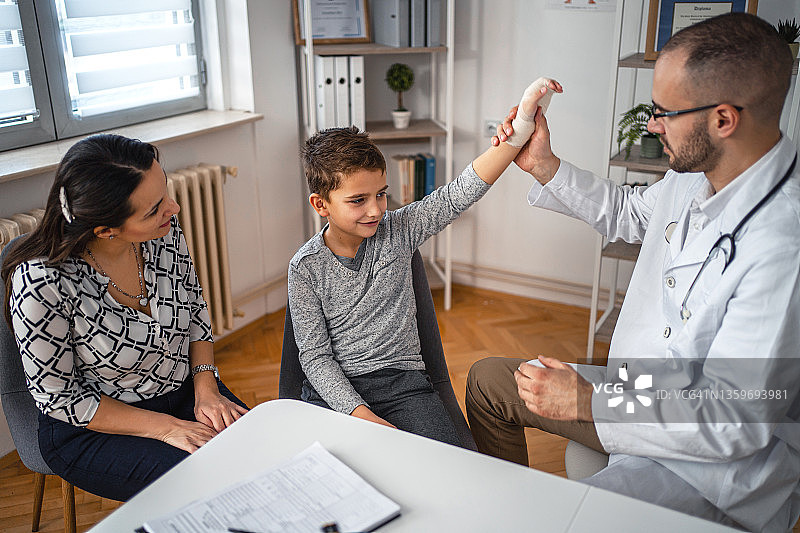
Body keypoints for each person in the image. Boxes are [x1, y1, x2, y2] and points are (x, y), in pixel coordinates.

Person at [466, 12, 800, 532]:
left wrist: (588, 400)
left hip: (711, 471)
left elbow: (734, 422)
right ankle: (516, 498)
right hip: (642, 393)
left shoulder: (785, 243)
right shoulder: (697, 176)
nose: (651, 125)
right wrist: (543, 165)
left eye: (664, 112)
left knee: (548, 523)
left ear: (723, 120)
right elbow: (630, 213)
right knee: (491, 382)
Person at [289, 78, 562, 447]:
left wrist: (521, 128)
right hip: (335, 395)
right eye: (358, 200)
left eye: (381, 195)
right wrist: (362, 415)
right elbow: (316, 358)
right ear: (321, 204)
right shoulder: (305, 267)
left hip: (405, 387)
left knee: (452, 468)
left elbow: (458, 193)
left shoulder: (399, 229)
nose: (375, 210)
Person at [1, 134, 249, 501]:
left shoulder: (162, 233)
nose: (174, 207)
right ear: (106, 230)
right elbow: (62, 399)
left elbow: (195, 312)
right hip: (93, 425)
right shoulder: (42, 282)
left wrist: (206, 387)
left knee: (257, 453)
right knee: (208, 485)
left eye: (165, 192)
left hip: (181, 391)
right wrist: (167, 429)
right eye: (154, 209)